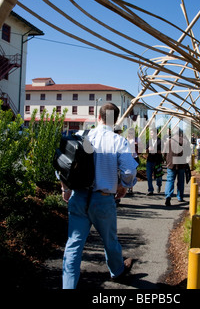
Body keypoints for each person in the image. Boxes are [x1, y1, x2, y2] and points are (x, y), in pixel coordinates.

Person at [61, 102, 138, 289]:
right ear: (116, 120)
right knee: (109, 239)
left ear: (98, 117)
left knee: (74, 245)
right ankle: (117, 270)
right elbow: (129, 171)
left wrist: (66, 189)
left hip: (78, 197)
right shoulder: (118, 141)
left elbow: (62, 166)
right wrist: (124, 186)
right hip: (103, 199)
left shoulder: (81, 136)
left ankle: (68, 286)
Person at [163, 128, 191, 206]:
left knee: (170, 180)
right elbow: (188, 153)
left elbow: (164, 153)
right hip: (181, 165)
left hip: (171, 164)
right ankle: (180, 197)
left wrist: (166, 160)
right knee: (181, 181)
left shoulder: (169, 141)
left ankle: (168, 196)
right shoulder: (185, 142)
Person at [145, 127, 163, 195]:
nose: (151, 134)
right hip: (149, 160)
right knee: (149, 175)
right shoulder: (149, 141)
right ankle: (150, 189)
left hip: (157, 161)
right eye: (151, 133)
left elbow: (163, 151)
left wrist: (155, 150)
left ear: (156, 133)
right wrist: (148, 149)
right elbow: (146, 150)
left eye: (152, 133)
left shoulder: (160, 141)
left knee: (158, 176)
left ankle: (159, 185)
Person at [126, 127, 140, 195]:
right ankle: (126, 188)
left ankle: (130, 188)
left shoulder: (137, 139)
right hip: (128, 158)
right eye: (129, 133)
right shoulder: (126, 139)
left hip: (134, 158)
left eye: (132, 133)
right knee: (127, 173)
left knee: (132, 174)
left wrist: (137, 145)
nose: (131, 134)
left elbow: (142, 148)